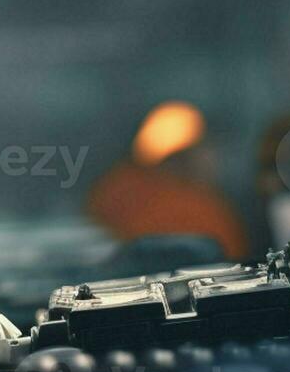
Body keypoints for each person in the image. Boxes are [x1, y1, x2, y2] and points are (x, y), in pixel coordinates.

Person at [87, 101, 249, 259]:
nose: (214, 158)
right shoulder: (199, 210)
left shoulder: (115, 188)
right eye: (206, 147)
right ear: (180, 158)